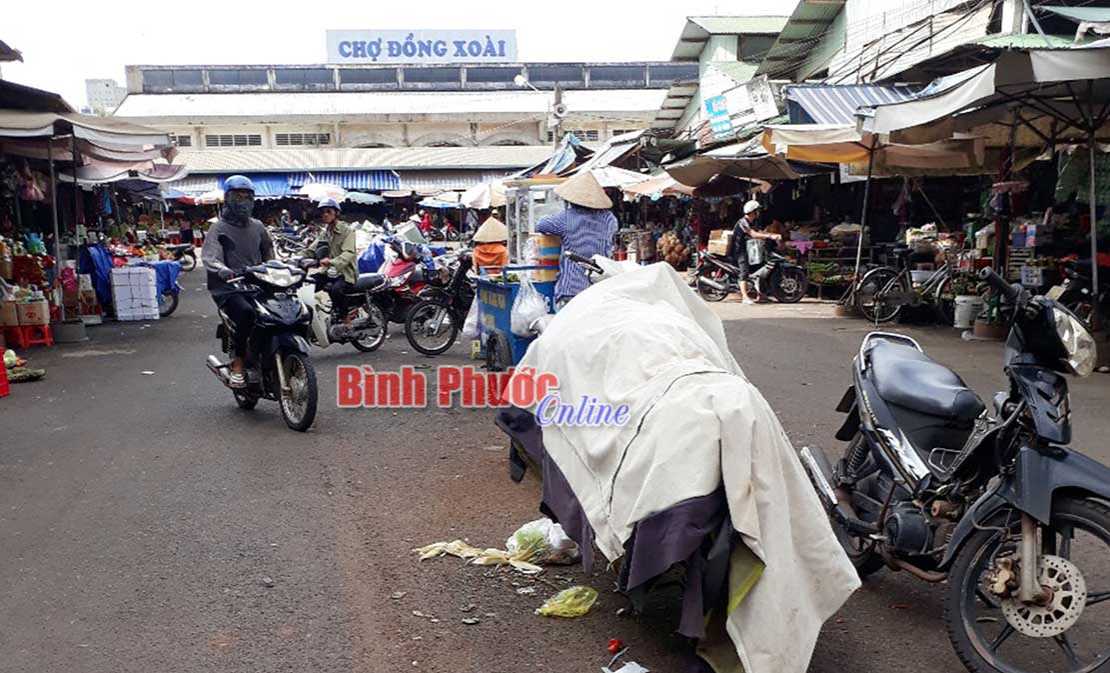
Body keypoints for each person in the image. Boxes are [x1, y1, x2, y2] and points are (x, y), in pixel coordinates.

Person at [201, 175, 275, 388]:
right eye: (238, 196)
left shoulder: (258, 226)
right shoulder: (218, 228)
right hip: (229, 287)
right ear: (228, 198)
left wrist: (278, 269)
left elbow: (269, 253)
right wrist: (223, 270)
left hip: (257, 283)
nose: (243, 201)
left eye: (247, 196)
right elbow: (210, 257)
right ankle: (238, 363)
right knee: (246, 313)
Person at [536, 171, 618, 308]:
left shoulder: (565, 219)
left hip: (571, 289)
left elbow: (541, 225)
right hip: (600, 288)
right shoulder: (609, 219)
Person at [313, 197, 358, 330]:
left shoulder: (347, 231)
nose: (325, 215)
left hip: (345, 273)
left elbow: (349, 253)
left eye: (328, 211)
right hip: (329, 272)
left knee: (336, 290)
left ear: (336, 213)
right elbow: (312, 248)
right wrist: (296, 259)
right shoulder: (325, 233)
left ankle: (346, 320)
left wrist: (331, 262)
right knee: (309, 284)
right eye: (323, 212)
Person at [728, 200, 781, 305]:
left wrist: (769, 234)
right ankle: (745, 297)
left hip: (749, 250)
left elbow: (759, 232)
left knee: (759, 269)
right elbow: (753, 234)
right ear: (752, 212)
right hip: (739, 251)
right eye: (757, 211)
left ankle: (761, 295)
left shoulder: (751, 222)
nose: (758, 213)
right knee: (744, 272)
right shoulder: (743, 222)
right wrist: (770, 236)